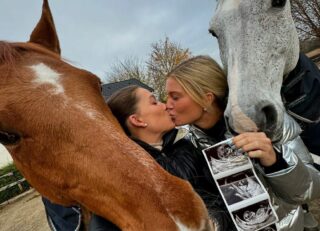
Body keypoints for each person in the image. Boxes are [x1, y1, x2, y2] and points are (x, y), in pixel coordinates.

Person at [165, 55, 320, 231]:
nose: (166, 105)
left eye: (175, 97)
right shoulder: (188, 150)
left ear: (206, 98)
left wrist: (275, 160)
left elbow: (311, 189)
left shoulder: (268, 121)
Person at [89, 85, 236, 231]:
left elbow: (227, 195)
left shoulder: (187, 147)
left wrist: (215, 222)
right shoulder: (121, 173)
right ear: (137, 120)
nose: (165, 106)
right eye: (154, 102)